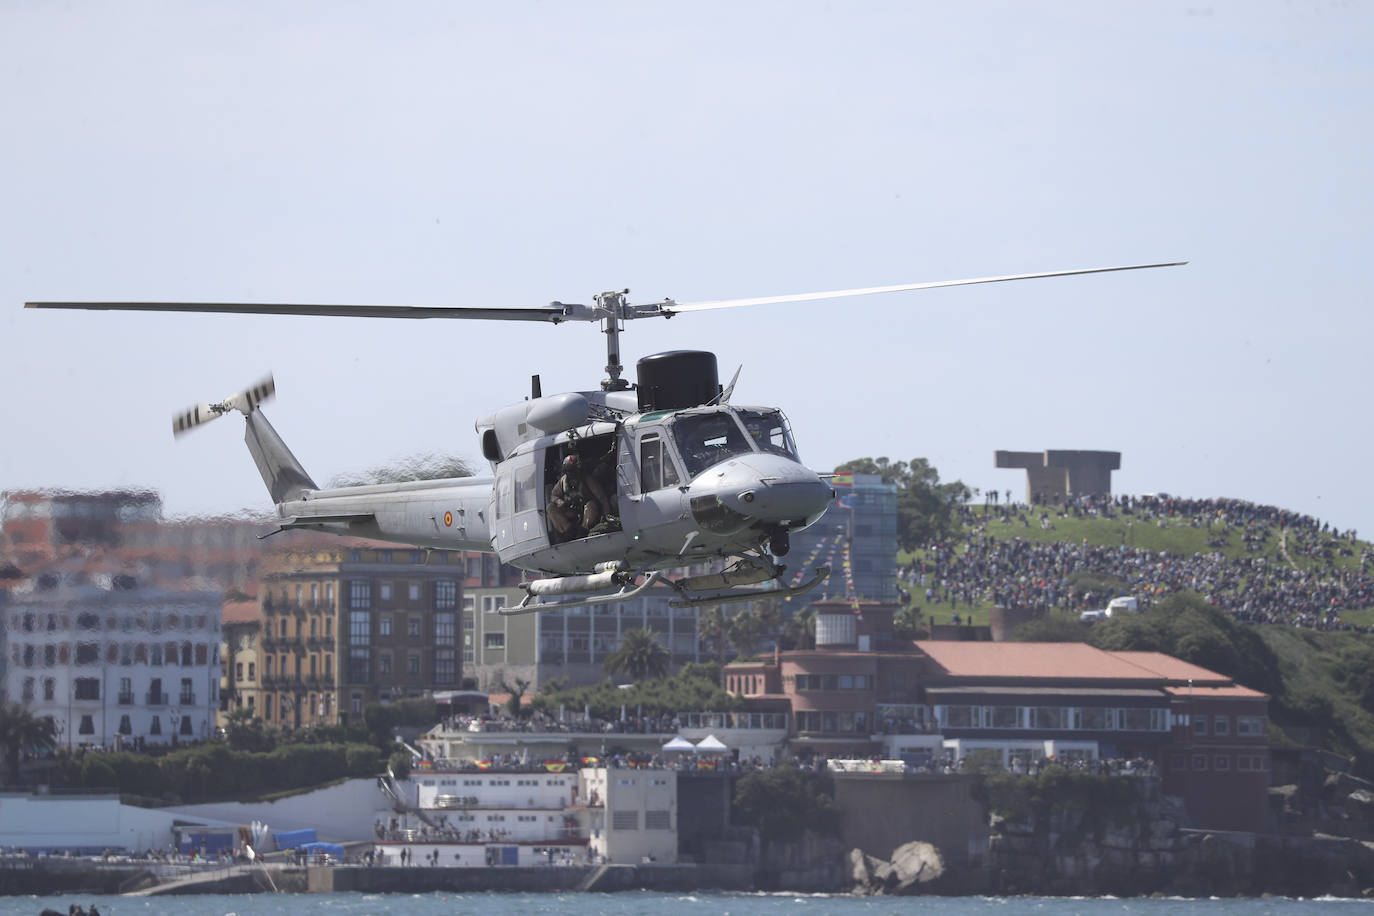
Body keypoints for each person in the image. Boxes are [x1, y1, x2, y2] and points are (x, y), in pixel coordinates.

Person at [548, 454, 609, 540]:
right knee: (550, 507)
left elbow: (602, 498)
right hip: (572, 512)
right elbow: (554, 495)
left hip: (588, 512)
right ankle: (568, 530)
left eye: (573, 470)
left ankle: (583, 530)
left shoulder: (587, 479)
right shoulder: (563, 481)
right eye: (568, 471)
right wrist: (559, 502)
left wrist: (606, 517)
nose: (571, 474)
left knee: (590, 505)